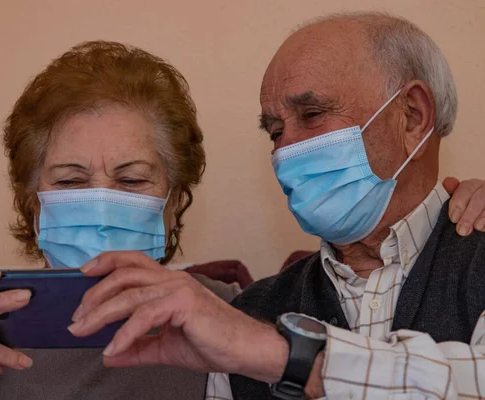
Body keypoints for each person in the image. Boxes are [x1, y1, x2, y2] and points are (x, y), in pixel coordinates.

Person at [66, 12, 485, 400]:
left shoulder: (245, 335)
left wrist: (287, 356)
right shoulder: (251, 310)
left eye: (313, 113)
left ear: (412, 115)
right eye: (276, 131)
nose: (287, 150)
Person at [0, 41, 244, 400]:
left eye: (132, 180)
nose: (102, 211)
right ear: (33, 204)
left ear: (175, 200)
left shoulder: (231, 313)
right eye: (71, 181)